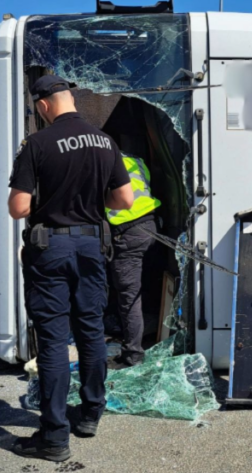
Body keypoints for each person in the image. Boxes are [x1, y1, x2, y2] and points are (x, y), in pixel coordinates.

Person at [7, 75, 134, 463]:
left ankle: (54, 437)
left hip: (52, 249)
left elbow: (18, 208)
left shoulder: (38, 144)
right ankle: (91, 413)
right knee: (91, 330)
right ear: (70, 100)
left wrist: (53, 200)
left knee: (53, 340)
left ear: (43, 105)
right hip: (92, 246)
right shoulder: (105, 141)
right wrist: (89, 201)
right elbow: (125, 200)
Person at [105, 150, 161, 368]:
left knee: (128, 296)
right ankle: (146, 329)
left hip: (127, 231)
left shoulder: (103, 162)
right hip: (149, 225)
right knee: (141, 286)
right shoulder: (135, 159)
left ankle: (133, 354)